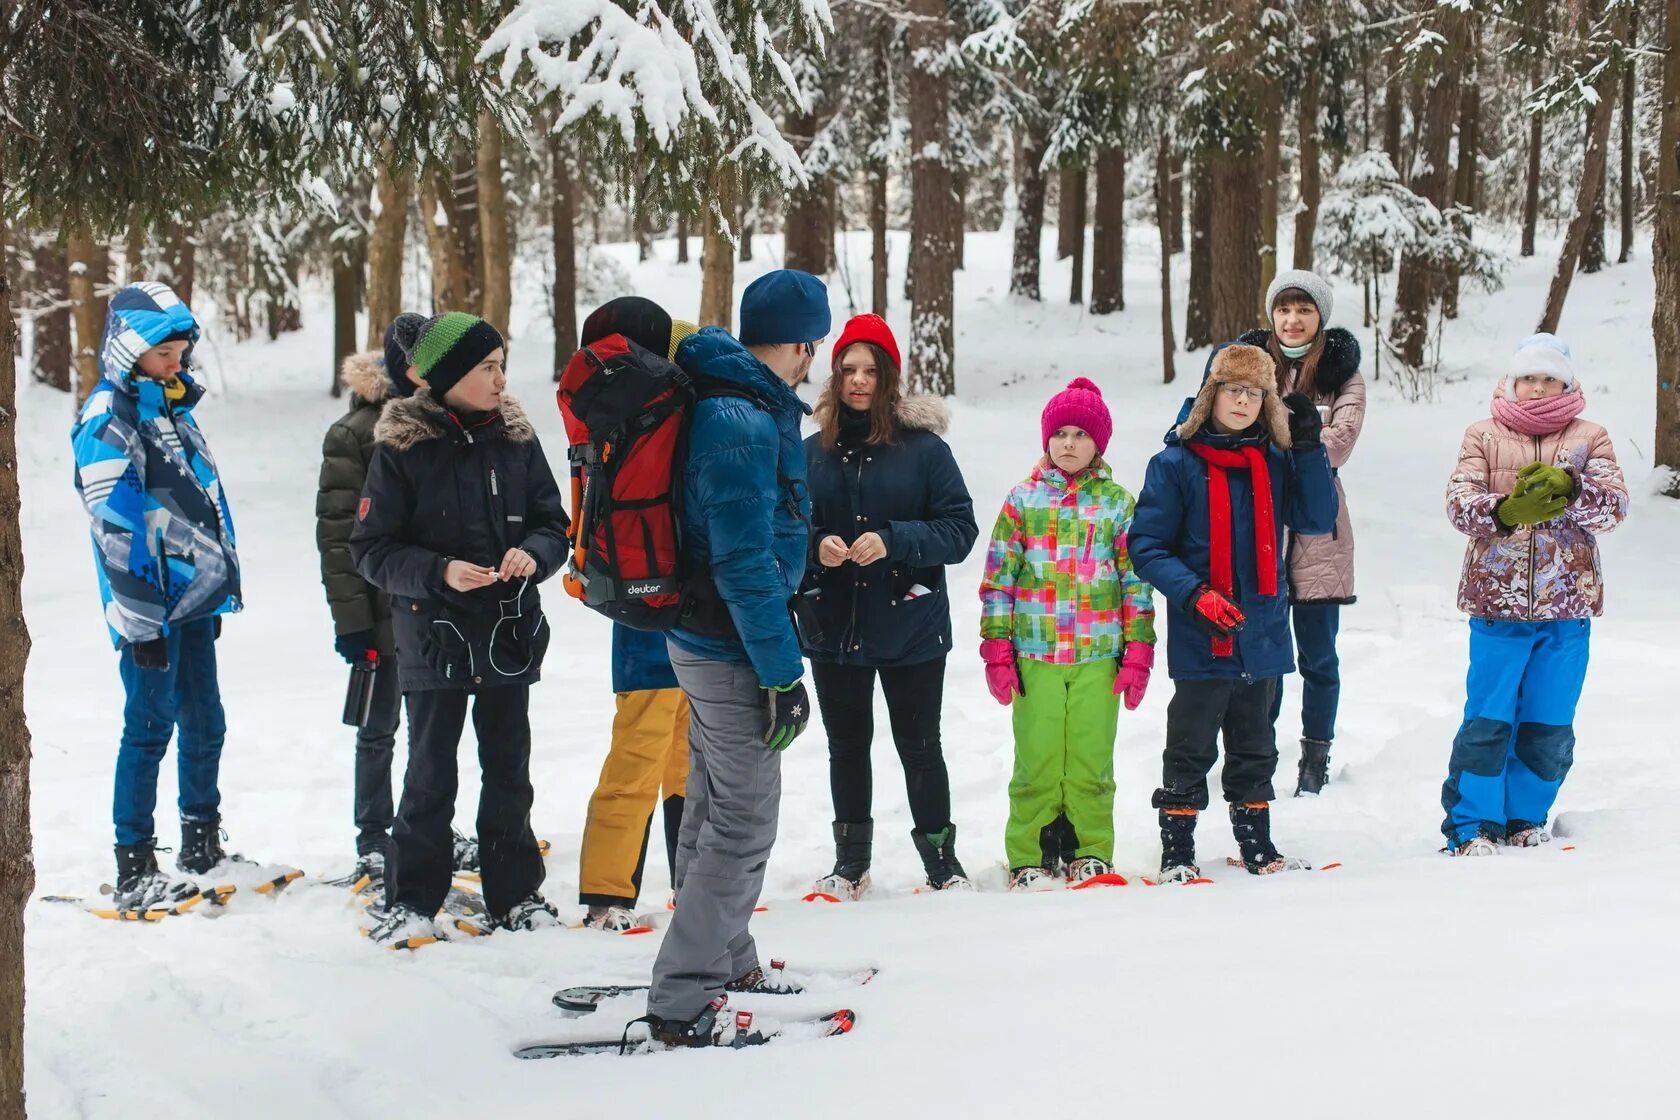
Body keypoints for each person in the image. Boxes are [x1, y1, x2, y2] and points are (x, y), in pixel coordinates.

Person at [640, 270, 828, 1046]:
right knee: (744, 820)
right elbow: (745, 563)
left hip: (709, 636)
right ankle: (683, 997)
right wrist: (783, 673)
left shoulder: (731, 397)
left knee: (715, 804)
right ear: (802, 343)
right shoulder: (740, 419)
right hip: (729, 644)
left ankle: (725, 955)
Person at [350, 312, 568, 942]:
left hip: (508, 632)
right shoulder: (400, 447)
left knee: (508, 770)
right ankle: (413, 899)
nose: (501, 380)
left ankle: (516, 895)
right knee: (429, 774)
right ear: (447, 378)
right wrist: (440, 572)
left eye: (502, 366)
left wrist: (535, 554)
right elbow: (371, 549)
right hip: (433, 638)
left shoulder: (518, 438)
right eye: (487, 369)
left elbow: (554, 524)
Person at [1130, 343, 1337, 881]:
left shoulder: (1275, 461)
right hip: (1205, 632)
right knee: (1190, 744)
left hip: (1263, 630)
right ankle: (1177, 849)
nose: (1243, 401)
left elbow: (1316, 519)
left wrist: (1309, 446)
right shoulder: (1174, 463)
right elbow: (1147, 546)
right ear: (1209, 396)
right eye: (1232, 390)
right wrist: (1194, 594)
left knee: (1256, 745)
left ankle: (1257, 846)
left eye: (1254, 392)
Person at [71, 281, 244, 910]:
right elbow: (116, 530)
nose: (178, 364)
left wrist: (212, 588)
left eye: (181, 352)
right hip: (147, 607)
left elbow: (201, 505)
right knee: (149, 727)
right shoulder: (107, 421)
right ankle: (134, 862)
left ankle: (200, 839)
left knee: (206, 720)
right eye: (164, 354)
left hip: (191, 600)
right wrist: (142, 625)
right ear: (127, 351)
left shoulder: (169, 406)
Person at [802, 313, 980, 898]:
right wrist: (815, 547)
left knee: (921, 746)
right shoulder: (809, 455)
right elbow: (782, 529)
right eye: (848, 370)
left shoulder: (925, 451)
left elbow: (960, 530)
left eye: (870, 371)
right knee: (846, 747)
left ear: (889, 378)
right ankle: (850, 865)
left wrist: (896, 539)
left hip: (910, 623)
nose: (858, 381)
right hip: (836, 626)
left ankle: (941, 862)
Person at [1440, 333, 1627, 856]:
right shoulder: (1482, 433)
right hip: (1496, 606)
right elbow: (1459, 504)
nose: (1539, 388)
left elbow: (1613, 508)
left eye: (1550, 378)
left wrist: (1572, 491)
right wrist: (1503, 511)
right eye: (1529, 377)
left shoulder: (1592, 436)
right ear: (1512, 381)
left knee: (1549, 722)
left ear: (1567, 383)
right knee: (1489, 719)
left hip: (1568, 607)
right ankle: (1473, 824)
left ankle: (1526, 816)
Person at [978, 378, 1156, 891]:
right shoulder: (1023, 501)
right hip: (1034, 654)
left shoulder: (1119, 504)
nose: (1069, 443)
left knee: (1090, 760)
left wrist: (1138, 650)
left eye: (1081, 433)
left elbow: (1136, 582)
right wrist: (997, 649)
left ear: (1099, 442)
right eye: (1060, 433)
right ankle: (1028, 855)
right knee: (1035, 759)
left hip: (1098, 655)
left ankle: (1090, 850)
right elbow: (998, 580)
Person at [569, 296, 697, 931]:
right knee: (650, 752)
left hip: (641, 599)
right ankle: (606, 895)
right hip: (666, 610)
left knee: (674, 755)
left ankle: (651, 887)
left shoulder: (620, 409)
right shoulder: (665, 405)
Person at [1235, 269, 1367, 795]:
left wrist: (1272, 431)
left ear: (1320, 317)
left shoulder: (1343, 373)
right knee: (1263, 652)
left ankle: (1316, 756)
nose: (1293, 320)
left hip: (1319, 530)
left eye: (1304, 310)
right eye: (1284, 310)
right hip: (1256, 518)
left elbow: (1340, 442)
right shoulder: (1246, 363)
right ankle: (1257, 751)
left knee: (1318, 654)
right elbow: (1226, 427)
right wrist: (1304, 428)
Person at [316, 313, 426, 893]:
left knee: (432, 729)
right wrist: (353, 624)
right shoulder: (355, 433)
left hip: (429, 606)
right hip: (378, 613)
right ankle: (373, 835)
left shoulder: (438, 422)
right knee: (378, 727)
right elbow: (338, 539)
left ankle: (424, 825)